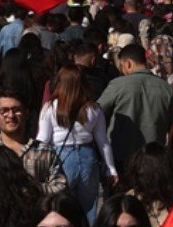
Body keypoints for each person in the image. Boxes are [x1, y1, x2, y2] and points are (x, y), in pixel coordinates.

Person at [36, 65, 117, 215]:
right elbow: (103, 142)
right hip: (88, 157)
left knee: (62, 207)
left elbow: (43, 140)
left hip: (61, 159)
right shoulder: (94, 109)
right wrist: (111, 168)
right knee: (89, 208)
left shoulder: (50, 108)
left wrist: (37, 167)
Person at [97, 44, 173, 169]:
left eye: (122, 66)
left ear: (128, 63)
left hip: (121, 155)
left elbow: (97, 112)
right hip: (154, 157)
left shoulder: (117, 85)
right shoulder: (166, 88)